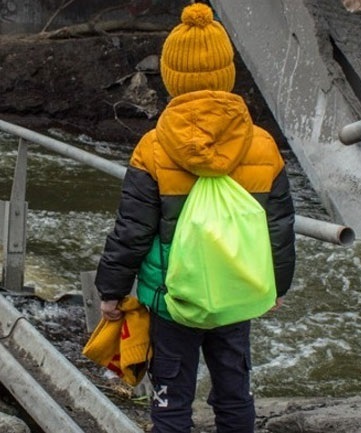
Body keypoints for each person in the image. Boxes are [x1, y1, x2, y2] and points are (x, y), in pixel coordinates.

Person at [93, 3, 296, 432]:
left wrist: (111, 291)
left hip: (171, 300)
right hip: (236, 294)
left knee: (171, 398)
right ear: (228, 72)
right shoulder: (263, 146)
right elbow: (278, 227)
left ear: (171, 77)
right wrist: (277, 285)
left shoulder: (153, 148)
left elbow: (132, 231)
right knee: (235, 393)